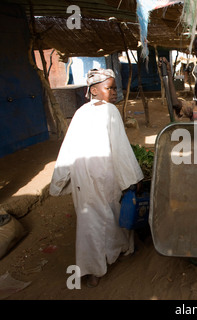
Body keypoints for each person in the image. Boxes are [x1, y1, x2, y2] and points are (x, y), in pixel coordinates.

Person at [49, 68, 144, 288]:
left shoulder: (81, 112)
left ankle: (96, 266)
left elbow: (68, 146)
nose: (113, 92)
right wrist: (134, 177)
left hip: (83, 175)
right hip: (104, 173)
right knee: (111, 214)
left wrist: (61, 177)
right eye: (108, 88)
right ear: (94, 90)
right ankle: (112, 255)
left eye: (113, 88)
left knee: (89, 220)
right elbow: (120, 149)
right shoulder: (110, 111)